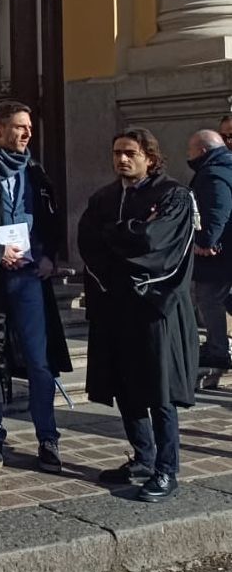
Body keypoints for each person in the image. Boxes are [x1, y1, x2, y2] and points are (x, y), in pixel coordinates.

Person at [80, 129, 199, 502]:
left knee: (158, 390)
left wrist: (120, 234)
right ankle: (143, 458)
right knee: (126, 387)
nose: (122, 160)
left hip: (155, 305)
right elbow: (88, 241)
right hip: (115, 303)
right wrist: (130, 234)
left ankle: (168, 469)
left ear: (150, 156)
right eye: (117, 153)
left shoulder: (172, 196)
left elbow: (157, 243)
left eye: (130, 153)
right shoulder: (104, 198)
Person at [0, 101, 72, 473]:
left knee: (40, 362)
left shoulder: (37, 174)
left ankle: (47, 437)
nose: (27, 134)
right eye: (20, 127)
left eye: (29, 128)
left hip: (30, 278)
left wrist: (50, 255)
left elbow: (52, 223)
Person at [188, 129, 232, 375]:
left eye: (190, 151)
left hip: (220, 254)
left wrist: (205, 241)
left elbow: (218, 210)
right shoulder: (226, 167)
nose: (189, 155)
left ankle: (218, 349)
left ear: (202, 151)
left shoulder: (213, 174)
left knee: (208, 297)